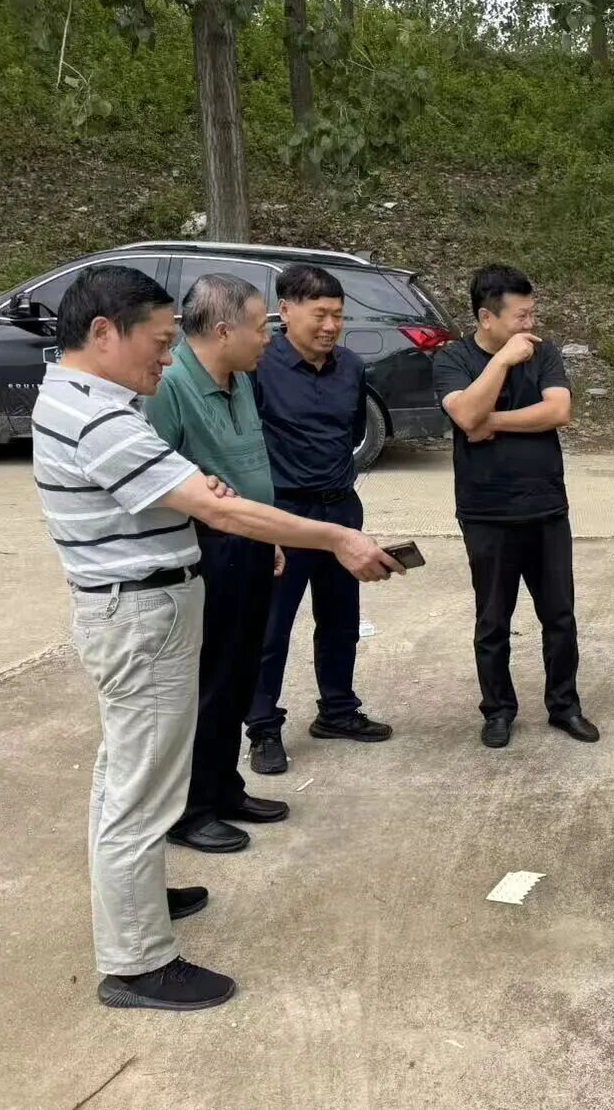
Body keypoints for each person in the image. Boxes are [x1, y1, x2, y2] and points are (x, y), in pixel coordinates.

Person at [32, 265, 400, 1010]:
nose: (167, 357)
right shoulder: (99, 417)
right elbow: (219, 509)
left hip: (138, 607)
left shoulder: (82, 398)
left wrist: (208, 496)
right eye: (159, 341)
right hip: (141, 615)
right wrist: (336, 537)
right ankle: (137, 963)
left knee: (124, 777)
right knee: (141, 792)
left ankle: (135, 901)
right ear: (104, 333)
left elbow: (192, 493)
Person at [145, 274, 290, 855]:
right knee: (207, 681)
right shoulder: (170, 387)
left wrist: (267, 534)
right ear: (225, 331)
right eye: (260, 328)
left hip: (249, 540)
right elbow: (155, 485)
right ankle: (189, 809)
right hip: (206, 550)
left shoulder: (240, 379)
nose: (268, 339)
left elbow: (248, 466)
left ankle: (224, 788)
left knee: (239, 673)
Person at [432, 264, 599, 749]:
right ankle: (498, 711)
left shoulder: (544, 352)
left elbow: (558, 410)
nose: (530, 324)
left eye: (532, 313)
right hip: (486, 512)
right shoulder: (453, 358)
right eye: (520, 316)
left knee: (560, 617)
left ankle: (564, 706)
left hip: (546, 508)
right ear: (487, 318)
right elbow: (465, 412)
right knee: (493, 621)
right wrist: (502, 361)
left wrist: (492, 422)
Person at [246, 264, 392, 775]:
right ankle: (263, 727)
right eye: (320, 315)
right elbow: (246, 443)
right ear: (285, 311)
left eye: (338, 316)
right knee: (271, 628)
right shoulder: (258, 367)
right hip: (283, 512)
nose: (331, 326)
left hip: (341, 508)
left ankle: (337, 710)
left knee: (340, 619)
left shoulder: (351, 367)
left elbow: (351, 433)